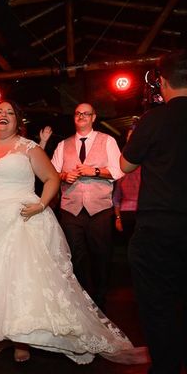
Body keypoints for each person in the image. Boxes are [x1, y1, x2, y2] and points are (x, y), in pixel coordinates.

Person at [0, 100, 146, 365]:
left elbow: (52, 178)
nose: (4, 115)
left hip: (21, 220)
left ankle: (21, 340)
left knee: (19, 281)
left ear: (18, 122)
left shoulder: (28, 148)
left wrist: (40, 204)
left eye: (10, 113)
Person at [121, 50, 187, 374]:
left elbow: (125, 164)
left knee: (158, 309)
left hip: (159, 229)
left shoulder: (154, 118)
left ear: (160, 81)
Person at [50, 103, 123, 310]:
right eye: (78, 113)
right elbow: (52, 174)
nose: (81, 116)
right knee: (75, 256)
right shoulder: (63, 145)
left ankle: (100, 299)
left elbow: (119, 170)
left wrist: (96, 171)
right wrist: (64, 175)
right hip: (71, 210)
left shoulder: (107, 140)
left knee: (101, 255)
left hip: (99, 209)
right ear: (74, 118)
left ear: (93, 117)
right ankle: (82, 301)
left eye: (86, 113)